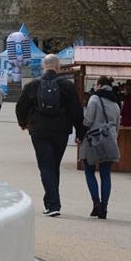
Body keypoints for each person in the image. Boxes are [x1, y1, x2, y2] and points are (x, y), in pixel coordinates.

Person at [15, 54, 86, 217]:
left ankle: (53, 204)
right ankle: (52, 203)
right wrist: (80, 132)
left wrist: (23, 124)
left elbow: (20, 107)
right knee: (54, 165)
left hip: (39, 130)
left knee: (46, 166)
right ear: (58, 67)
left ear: (43, 67)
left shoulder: (33, 85)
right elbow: (76, 110)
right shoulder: (67, 86)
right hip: (61, 130)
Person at [81, 76, 121, 219]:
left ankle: (96, 204)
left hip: (93, 140)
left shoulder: (94, 99)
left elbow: (88, 120)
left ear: (99, 85)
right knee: (105, 174)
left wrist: (80, 134)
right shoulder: (116, 104)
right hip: (109, 141)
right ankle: (104, 207)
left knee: (89, 172)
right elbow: (117, 126)